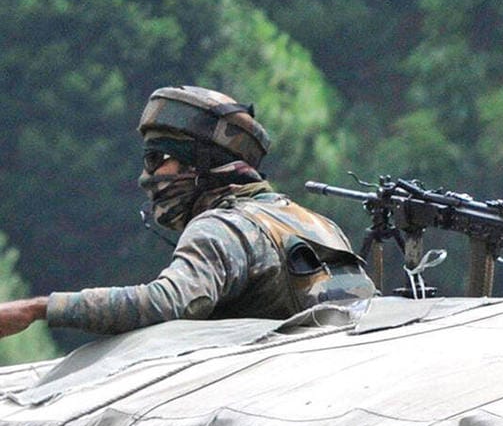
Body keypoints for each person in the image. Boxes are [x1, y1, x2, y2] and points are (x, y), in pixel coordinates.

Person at [0, 86, 375, 341]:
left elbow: (169, 303)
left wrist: (41, 308)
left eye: (157, 159)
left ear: (201, 164)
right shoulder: (317, 224)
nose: (147, 177)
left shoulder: (223, 227)